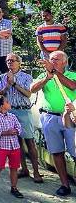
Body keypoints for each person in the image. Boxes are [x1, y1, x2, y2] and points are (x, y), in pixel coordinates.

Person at [30, 50, 76, 196]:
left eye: (56, 59)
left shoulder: (72, 75)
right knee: (56, 152)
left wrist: (55, 73)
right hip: (50, 118)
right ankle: (64, 184)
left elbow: (72, 86)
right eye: (51, 59)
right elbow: (32, 89)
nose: (52, 61)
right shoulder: (44, 76)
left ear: (65, 62)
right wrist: (47, 78)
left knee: (75, 152)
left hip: (70, 118)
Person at [0, 53, 42, 183]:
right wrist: (7, 87)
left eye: (12, 60)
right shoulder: (3, 76)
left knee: (30, 142)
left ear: (19, 62)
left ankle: (36, 172)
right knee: (16, 143)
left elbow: (28, 93)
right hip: (10, 112)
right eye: (8, 60)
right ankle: (24, 169)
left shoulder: (26, 76)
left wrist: (14, 84)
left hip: (23, 111)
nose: (10, 62)